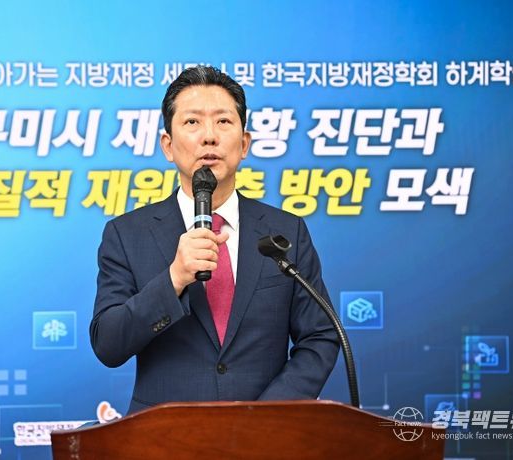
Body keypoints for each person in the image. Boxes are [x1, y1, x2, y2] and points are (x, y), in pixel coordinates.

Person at [90, 65, 339, 414]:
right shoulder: (127, 234)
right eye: (192, 122)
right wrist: (174, 279)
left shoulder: (286, 231)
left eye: (223, 121)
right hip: (162, 435)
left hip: (263, 433)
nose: (209, 137)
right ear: (168, 145)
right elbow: (108, 344)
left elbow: (320, 336)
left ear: (244, 143)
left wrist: (265, 417)